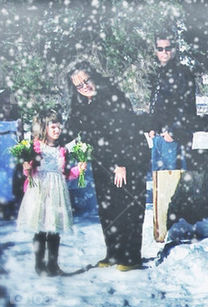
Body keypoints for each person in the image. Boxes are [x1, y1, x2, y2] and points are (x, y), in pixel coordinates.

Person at [65, 61, 149, 271]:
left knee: (127, 206)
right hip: (102, 157)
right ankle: (113, 253)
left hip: (128, 157)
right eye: (78, 85)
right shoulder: (80, 102)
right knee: (107, 207)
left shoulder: (113, 96)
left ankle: (131, 257)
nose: (84, 87)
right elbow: (73, 126)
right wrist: (51, 140)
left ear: (94, 76)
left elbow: (126, 131)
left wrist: (122, 163)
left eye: (86, 80)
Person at [15, 109, 85, 276]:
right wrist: (26, 167)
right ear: (44, 128)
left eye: (58, 127)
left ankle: (53, 265)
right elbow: (29, 171)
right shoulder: (36, 147)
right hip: (39, 191)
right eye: (53, 127)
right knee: (40, 229)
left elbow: (66, 174)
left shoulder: (62, 150)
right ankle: (39, 265)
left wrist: (78, 170)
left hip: (57, 193)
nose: (57, 130)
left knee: (54, 229)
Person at [147, 31, 198, 243]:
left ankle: (177, 231)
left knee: (174, 184)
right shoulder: (160, 72)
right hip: (159, 137)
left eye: (168, 48)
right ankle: (161, 231)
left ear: (174, 50)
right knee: (160, 184)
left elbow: (187, 107)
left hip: (174, 137)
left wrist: (173, 131)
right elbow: (158, 105)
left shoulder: (182, 73)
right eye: (160, 48)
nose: (164, 52)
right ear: (156, 50)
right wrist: (152, 127)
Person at [0, 89, 23, 216]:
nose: (7, 104)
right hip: (1, 150)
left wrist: (22, 156)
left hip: (14, 150)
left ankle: (15, 205)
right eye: (4, 101)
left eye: (10, 101)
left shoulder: (17, 120)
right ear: (0, 103)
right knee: (2, 176)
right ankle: (1, 205)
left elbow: (21, 140)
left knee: (14, 176)